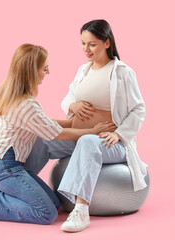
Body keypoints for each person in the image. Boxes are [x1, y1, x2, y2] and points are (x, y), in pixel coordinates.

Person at [0, 43, 116, 225]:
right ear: (32, 71)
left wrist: (71, 122)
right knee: (46, 213)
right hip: (3, 166)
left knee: (54, 203)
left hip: (3, 164)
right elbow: (56, 134)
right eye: (44, 68)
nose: (47, 72)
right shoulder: (25, 104)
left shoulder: (15, 96)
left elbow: (43, 124)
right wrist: (92, 131)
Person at [24, 19, 148, 232]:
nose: (86, 49)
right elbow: (67, 99)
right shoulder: (83, 70)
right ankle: (20, 185)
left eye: (92, 44)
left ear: (107, 43)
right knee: (44, 139)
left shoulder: (122, 72)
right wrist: (73, 104)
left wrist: (118, 134)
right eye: (82, 43)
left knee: (89, 142)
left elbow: (139, 110)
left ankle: (81, 210)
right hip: (81, 137)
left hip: (110, 143)